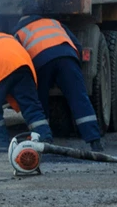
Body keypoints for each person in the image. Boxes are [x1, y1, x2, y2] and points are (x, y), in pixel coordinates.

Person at [13, 16, 105, 152]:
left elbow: (18, 60)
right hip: (67, 58)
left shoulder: (19, 33)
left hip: (40, 63)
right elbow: (77, 45)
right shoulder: (55, 22)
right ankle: (94, 141)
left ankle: (44, 139)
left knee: (40, 103)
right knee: (79, 98)